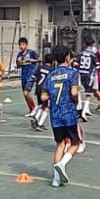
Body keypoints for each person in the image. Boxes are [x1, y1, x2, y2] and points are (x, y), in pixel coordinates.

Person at [39, 47, 83, 187]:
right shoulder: (72, 73)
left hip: (55, 114)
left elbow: (43, 96)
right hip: (68, 113)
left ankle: (56, 179)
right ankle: (62, 163)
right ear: (67, 58)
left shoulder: (51, 75)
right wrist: (75, 101)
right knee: (75, 143)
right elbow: (74, 92)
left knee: (60, 144)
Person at [17, 37, 41, 119]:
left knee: (26, 93)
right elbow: (18, 66)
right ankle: (31, 110)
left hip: (30, 76)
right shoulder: (19, 55)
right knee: (25, 95)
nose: (21, 46)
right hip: (23, 76)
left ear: (26, 45)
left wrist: (30, 60)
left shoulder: (31, 52)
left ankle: (34, 107)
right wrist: (18, 62)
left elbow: (39, 59)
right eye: (20, 45)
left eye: (23, 44)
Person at [76, 37, 98, 119]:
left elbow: (75, 63)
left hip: (81, 74)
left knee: (77, 90)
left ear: (84, 44)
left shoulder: (81, 53)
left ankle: (80, 108)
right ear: (92, 45)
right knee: (88, 93)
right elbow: (97, 65)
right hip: (89, 74)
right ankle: (84, 111)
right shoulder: (93, 54)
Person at [31, 52, 54, 131]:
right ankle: (40, 123)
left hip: (38, 88)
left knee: (42, 104)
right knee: (47, 107)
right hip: (45, 89)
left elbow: (33, 77)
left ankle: (36, 118)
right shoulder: (52, 70)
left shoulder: (39, 67)